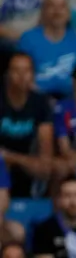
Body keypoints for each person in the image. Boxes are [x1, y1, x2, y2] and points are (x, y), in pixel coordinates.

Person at [0, 52, 54, 202]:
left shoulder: (41, 102)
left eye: (27, 70)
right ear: (7, 74)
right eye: (16, 70)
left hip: (25, 160)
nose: (22, 76)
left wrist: (11, 157)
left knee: (55, 168)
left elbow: (45, 164)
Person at [18, 0, 76, 100]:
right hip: (36, 99)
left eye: (62, 6)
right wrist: (44, 101)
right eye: (51, 6)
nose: (57, 11)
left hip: (70, 101)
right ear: (43, 11)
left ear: (68, 12)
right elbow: (21, 77)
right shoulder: (28, 39)